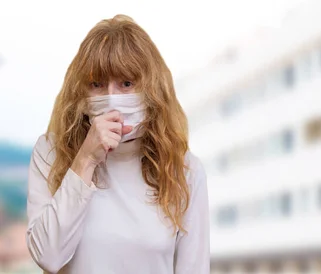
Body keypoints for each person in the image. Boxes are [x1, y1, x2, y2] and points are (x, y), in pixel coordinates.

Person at [25, 14, 209, 274]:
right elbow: (48, 257)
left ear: (152, 90)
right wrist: (86, 159)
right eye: (97, 84)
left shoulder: (185, 170)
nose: (112, 99)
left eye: (126, 83)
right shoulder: (50, 153)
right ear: (81, 92)